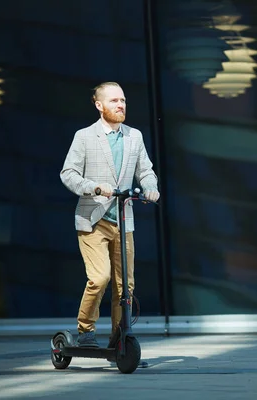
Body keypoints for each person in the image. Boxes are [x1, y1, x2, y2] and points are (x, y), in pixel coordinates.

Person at [60, 82, 160, 348]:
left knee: (124, 286)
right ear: (99, 105)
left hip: (123, 220)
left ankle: (120, 338)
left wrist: (151, 187)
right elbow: (68, 173)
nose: (120, 105)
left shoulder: (134, 136)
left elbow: (146, 171)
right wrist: (93, 186)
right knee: (100, 278)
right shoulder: (84, 136)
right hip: (93, 219)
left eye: (123, 100)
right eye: (114, 101)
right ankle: (86, 331)